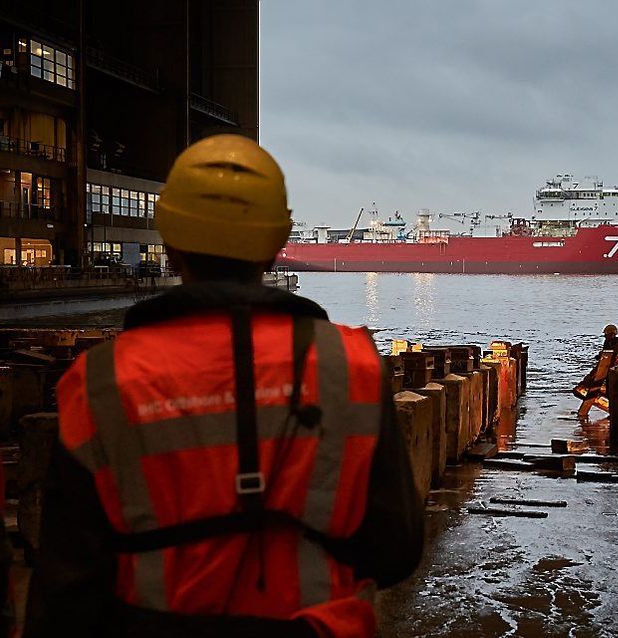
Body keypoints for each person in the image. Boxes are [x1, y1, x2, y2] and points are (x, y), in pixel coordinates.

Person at [24, 135, 423, 638]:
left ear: (167, 246)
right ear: (279, 243)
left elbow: (65, 592)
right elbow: (396, 550)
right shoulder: (352, 366)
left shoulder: (101, 383)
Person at [574, 325, 618, 418]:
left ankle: (613, 411)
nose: (605, 336)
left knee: (610, 391)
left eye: (606, 334)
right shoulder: (609, 343)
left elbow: (612, 357)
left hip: (612, 371)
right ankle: (612, 410)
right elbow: (605, 354)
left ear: (612, 334)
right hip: (607, 369)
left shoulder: (617, 344)